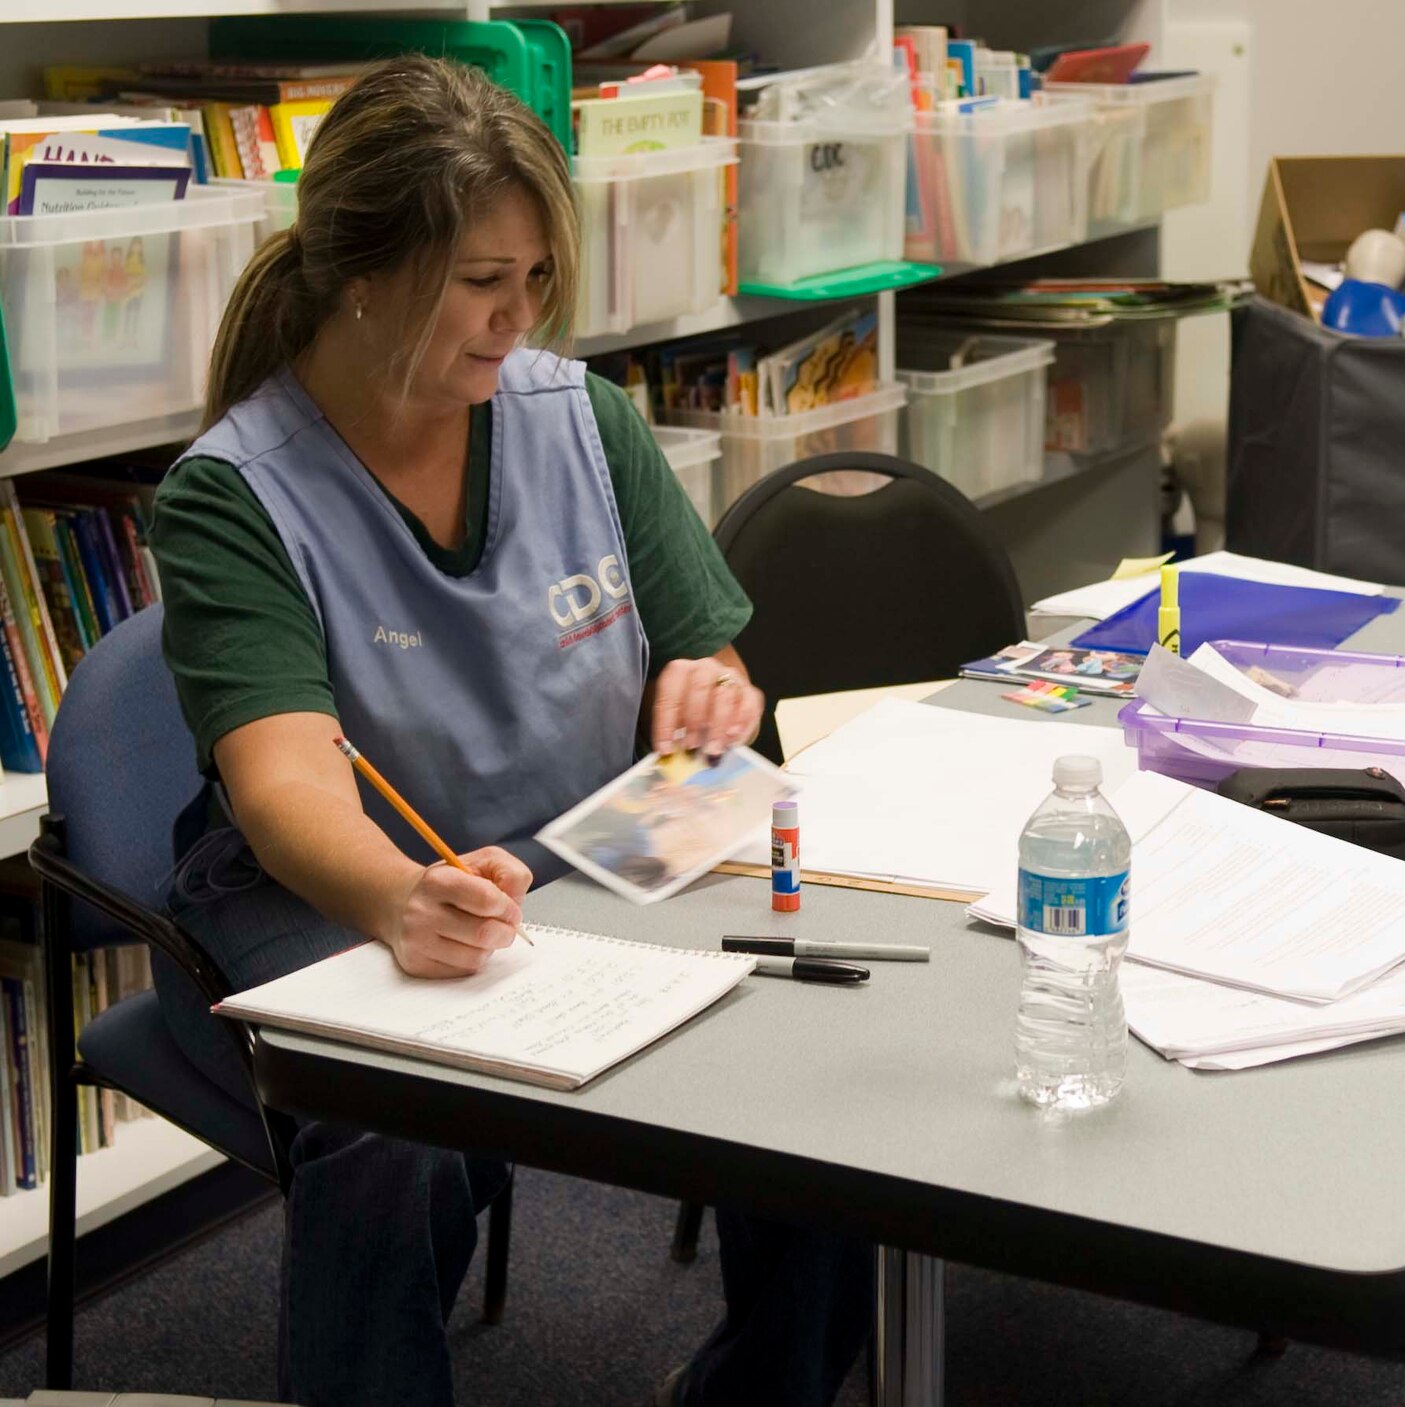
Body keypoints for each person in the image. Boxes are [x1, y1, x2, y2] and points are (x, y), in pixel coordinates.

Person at [149, 57, 870, 1407]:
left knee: (806, 1034)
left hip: (584, 839)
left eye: (536, 280)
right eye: (484, 282)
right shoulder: (232, 495)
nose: (518, 319)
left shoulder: (580, 419)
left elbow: (707, 656)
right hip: (340, 881)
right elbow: (286, 782)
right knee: (392, 1130)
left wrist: (705, 694)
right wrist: (397, 896)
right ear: (365, 273)